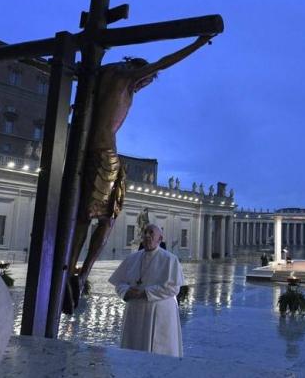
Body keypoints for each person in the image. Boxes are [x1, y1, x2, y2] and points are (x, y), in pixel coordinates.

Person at [64, 35, 213, 314]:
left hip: (81, 147)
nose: (143, 86)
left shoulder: (100, 74)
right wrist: (199, 41)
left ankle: (69, 267)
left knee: (84, 214)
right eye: (146, 81)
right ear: (141, 73)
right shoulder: (126, 77)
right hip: (104, 152)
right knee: (106, 218)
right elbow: (165, 61)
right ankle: (80, 274)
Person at [109, 224, 184, 356]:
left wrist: (145, 292)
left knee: (158, 352)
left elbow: (173, 288)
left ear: (160, 238)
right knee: (133, 350)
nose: (147, 235)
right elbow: (119, 282)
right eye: (145, 233)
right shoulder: (132, 258)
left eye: (151, 233)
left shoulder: (170, 260)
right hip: (134, 312)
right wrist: (126, 291)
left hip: (159, 313)